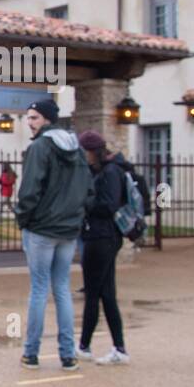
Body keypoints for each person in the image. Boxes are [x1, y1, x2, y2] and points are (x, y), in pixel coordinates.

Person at [13, 99, 93, 371]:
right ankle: (68, 355)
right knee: (62, 290)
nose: (29, 122)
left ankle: (31, 353)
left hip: (41, 231)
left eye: (34, 117)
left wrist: (23, 219)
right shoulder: (78, 148)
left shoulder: (40, 147)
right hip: (68, 232)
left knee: (38, 289)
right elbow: (88, 191)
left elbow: (29, 191)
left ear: (47, 119)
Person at [75, 130, 129, 365]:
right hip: (102, 237)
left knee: (95, 293)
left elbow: (108, 205)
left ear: (92, 151)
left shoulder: (110, 173)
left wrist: (84, 202)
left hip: (101, 237)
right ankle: (118, 347)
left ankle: (85, 346)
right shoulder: (103, 171)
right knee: (105, 294)